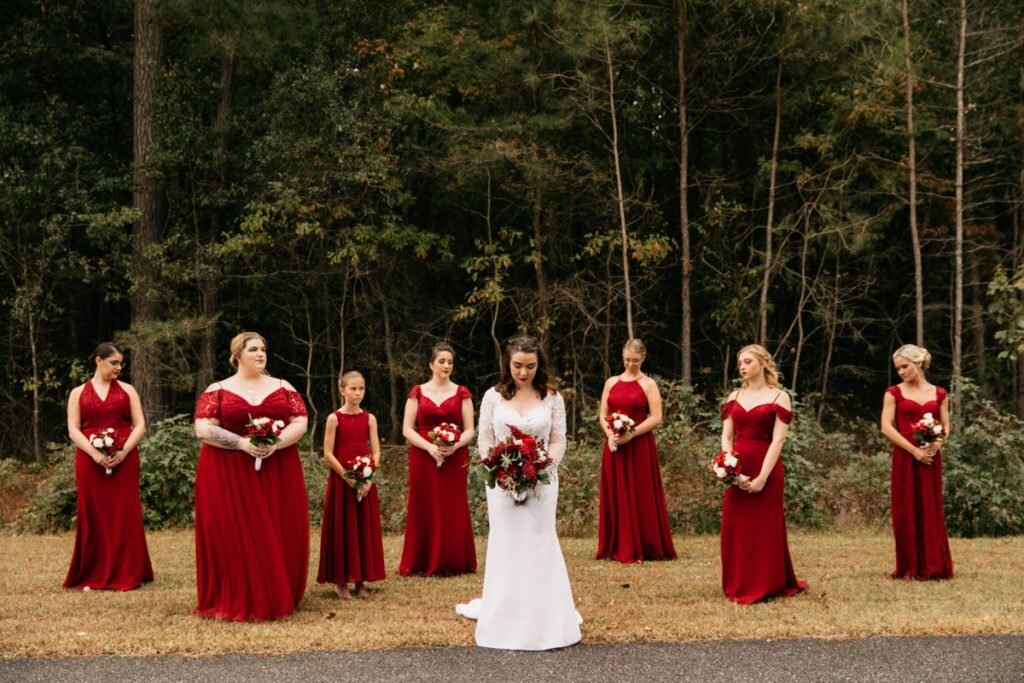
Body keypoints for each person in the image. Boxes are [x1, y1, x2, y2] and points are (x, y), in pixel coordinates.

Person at [456, 335, 582, 650]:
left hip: (541, 480)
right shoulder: (492, 396)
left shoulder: (552, 397)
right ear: (507, 363)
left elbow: (558, 439)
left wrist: (544, 464)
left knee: (540, 542)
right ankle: (505, 617)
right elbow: (484, 437)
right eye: (517, 366)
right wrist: (495, 464)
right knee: (506, 543)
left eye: (530, 366)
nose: (523, 373)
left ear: (539, 365)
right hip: (500, 480)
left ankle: (545, 617)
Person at [193, 332, 309, 621]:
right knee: (232, 531)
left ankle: (278, 589)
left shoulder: (283, 386)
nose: (261, 354)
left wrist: (275, 443)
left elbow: (301, 421)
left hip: (278, 468)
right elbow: (203, 428)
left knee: (277, 526)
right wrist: (243, 443)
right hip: (227, 470)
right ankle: (237, 592)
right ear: (237, 356)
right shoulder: (218, 389)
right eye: (253, 349)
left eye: (263, 349)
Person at [719, 344, 806, 603]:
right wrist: (730, 467)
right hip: (738, 465)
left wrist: (761, 478)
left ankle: (767, 582)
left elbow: (778, 441)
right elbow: (726, 436)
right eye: (740, 363)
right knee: (736, 525)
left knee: (764, 526)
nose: (742, 366)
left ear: (762, 363)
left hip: (766, 465)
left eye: (747, 361)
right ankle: (738, 581)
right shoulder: (734, 395)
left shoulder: (780, 398)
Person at [64, 342, 153, 590]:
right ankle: (93, 570)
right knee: (94, 513)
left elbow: (140, 425)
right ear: (98, 361)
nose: (119, 367)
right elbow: (73, 429)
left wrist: (124, 451)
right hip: (89, 461)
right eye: (114, 362)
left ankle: (128, 570)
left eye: (121, 363)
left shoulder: (128, 390)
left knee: (124, 512)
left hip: (124, 459)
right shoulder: (77, 393)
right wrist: (93, 453)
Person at [398, 342, 476, 576]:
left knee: (453, 504)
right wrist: (430, 448)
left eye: (450, 362)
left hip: (455, 456)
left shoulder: (462, 393)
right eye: (441, 361)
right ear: (431, 364)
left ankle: (453, 560)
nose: (446, 365)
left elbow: (470, 428)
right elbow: (407, 429)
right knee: (424, 503)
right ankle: (421, 560)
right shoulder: (417, 392)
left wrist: (456, 445)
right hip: (423, 455)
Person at [596, 338, 676, 563]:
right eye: (627, 360)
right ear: (622, 357)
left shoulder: (648, 384)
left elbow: (657, 417)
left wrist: (632, 433)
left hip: (639, 444)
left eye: (635, 361)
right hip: (614, 446)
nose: (630, 364)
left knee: (641, 493)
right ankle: (615, 544)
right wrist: (610, 434)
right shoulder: (611, 382)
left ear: (643, 359)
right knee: (616, 491)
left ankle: (645, 544)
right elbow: (603, 414)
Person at [880, 344, 954, 580]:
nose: (901, 372)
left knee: (930, 506)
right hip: (906, 455)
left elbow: (946, 425)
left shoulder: (940, 393)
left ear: (919, 364)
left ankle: (934, 564)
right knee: (907, 507)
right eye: (898, 368)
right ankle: (909, 566)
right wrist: (913, 450)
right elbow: (885, 427)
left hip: (930, 456)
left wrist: (937, 443)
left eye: (905, 366)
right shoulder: (893, 393)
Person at [318, 371, 386, 597]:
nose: (358, 393)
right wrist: (347, 476)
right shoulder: (334, 418)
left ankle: (360, 580)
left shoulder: (370, 418)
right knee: (343, 526)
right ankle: (340, 581)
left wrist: (368, 476)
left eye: (361, 388)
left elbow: (376, 451)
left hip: (365, 479)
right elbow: (327, 453)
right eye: (353, 389)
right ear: (342, 390)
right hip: (342, 480)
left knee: (362, 527)